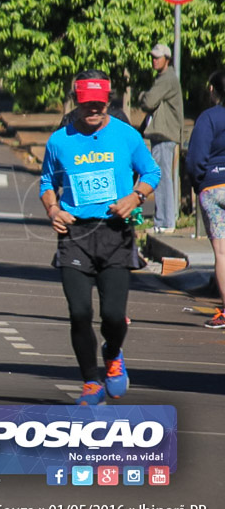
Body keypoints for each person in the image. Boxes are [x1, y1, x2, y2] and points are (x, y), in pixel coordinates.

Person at [39, 71, 160, 405]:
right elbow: (47, 182)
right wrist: (53, 211)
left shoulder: (126, 136)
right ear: (77, 101)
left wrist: (135, 197)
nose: (93, 108)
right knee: (79, 311)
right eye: (86, 102)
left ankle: (113, 351)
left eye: (99, 102)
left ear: (108, 100)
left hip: (115, 233)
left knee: (112, 315)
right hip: (75, 232)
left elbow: (152, 172)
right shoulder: (59, 140)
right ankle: (91, 382)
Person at [185, 69, 225, 329]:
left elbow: (196, 157)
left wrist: (200, 183)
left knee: (222, 253)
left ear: (213, 90)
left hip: (215, 185)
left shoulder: (209, 118)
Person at [139, 43, 184, 233]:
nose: (154, 60)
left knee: (161, 178)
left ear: (167, 59)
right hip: (162, 135)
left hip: (165, 135)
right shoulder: (164, 78)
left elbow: (148, 101)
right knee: (162, 177)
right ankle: (163, 221)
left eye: (158, 57)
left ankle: (165, 223)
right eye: (153, 57)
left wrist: (142, 95)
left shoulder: (166, 79)